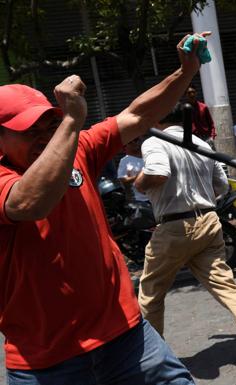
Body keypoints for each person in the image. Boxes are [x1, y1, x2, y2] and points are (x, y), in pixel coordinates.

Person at [0, 32, 212, 385]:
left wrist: (185, 72)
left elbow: (137, 114)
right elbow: (30, 202)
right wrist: (69, 121)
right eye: (29, 129)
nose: (44, 135)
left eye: (48, 123)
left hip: (125, 334)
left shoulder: (76, 148)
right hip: (46, 360)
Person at [134, 103, 236, 377]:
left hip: (175, 226)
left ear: (158, 118)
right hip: (210, 222)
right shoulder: (200, 142)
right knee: (228, 289)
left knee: (151, 295)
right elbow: (221, 186)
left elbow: (158, 172)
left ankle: (152, 364)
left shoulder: (155, 142)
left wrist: (139, 182)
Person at [117, 136, 150, 202]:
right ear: (125, 146)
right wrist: (139, 176)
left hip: (156, 196)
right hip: (140, 199)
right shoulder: (124, 161)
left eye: (136, 140)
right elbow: (123, 180)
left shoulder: (148, 156)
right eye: (130, 142)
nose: (134, 143)